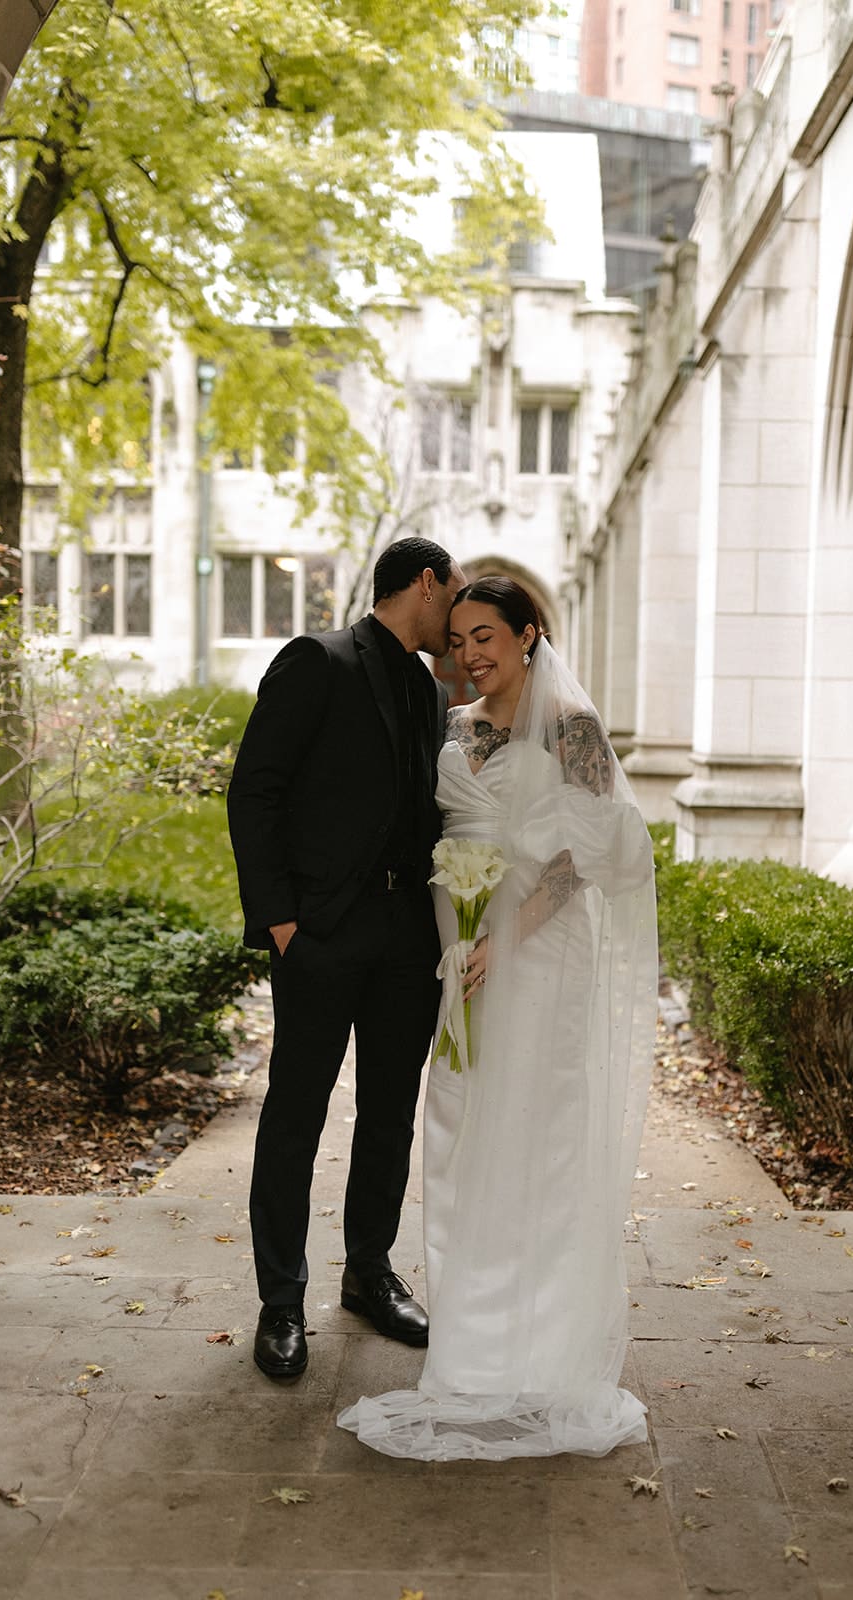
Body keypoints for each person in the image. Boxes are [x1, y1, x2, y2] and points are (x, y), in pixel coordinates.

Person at [338, 576, 658, 1459]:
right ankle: (471, 1346)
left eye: (486, 636)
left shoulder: (571, 730)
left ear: (528, 635)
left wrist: (502, 940)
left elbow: (599, 849)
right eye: (459, 640)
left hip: (538, 957)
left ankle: (540, 1351)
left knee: (534, 1132)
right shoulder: (454, 727)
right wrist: (459, 945)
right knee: (461, 1127)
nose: (470, 654)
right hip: (461, 963)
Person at [227, 536, 467, 1380]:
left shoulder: (432, 689)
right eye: (456, 594)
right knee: (295, 1116)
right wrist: (280, 921)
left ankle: (369, 1273)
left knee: (390, 1113)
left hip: (408, 939)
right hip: (321, 934)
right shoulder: (317, 660)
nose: (459, 615)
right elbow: (253, 788)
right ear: (426, 583)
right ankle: (280, 1300)